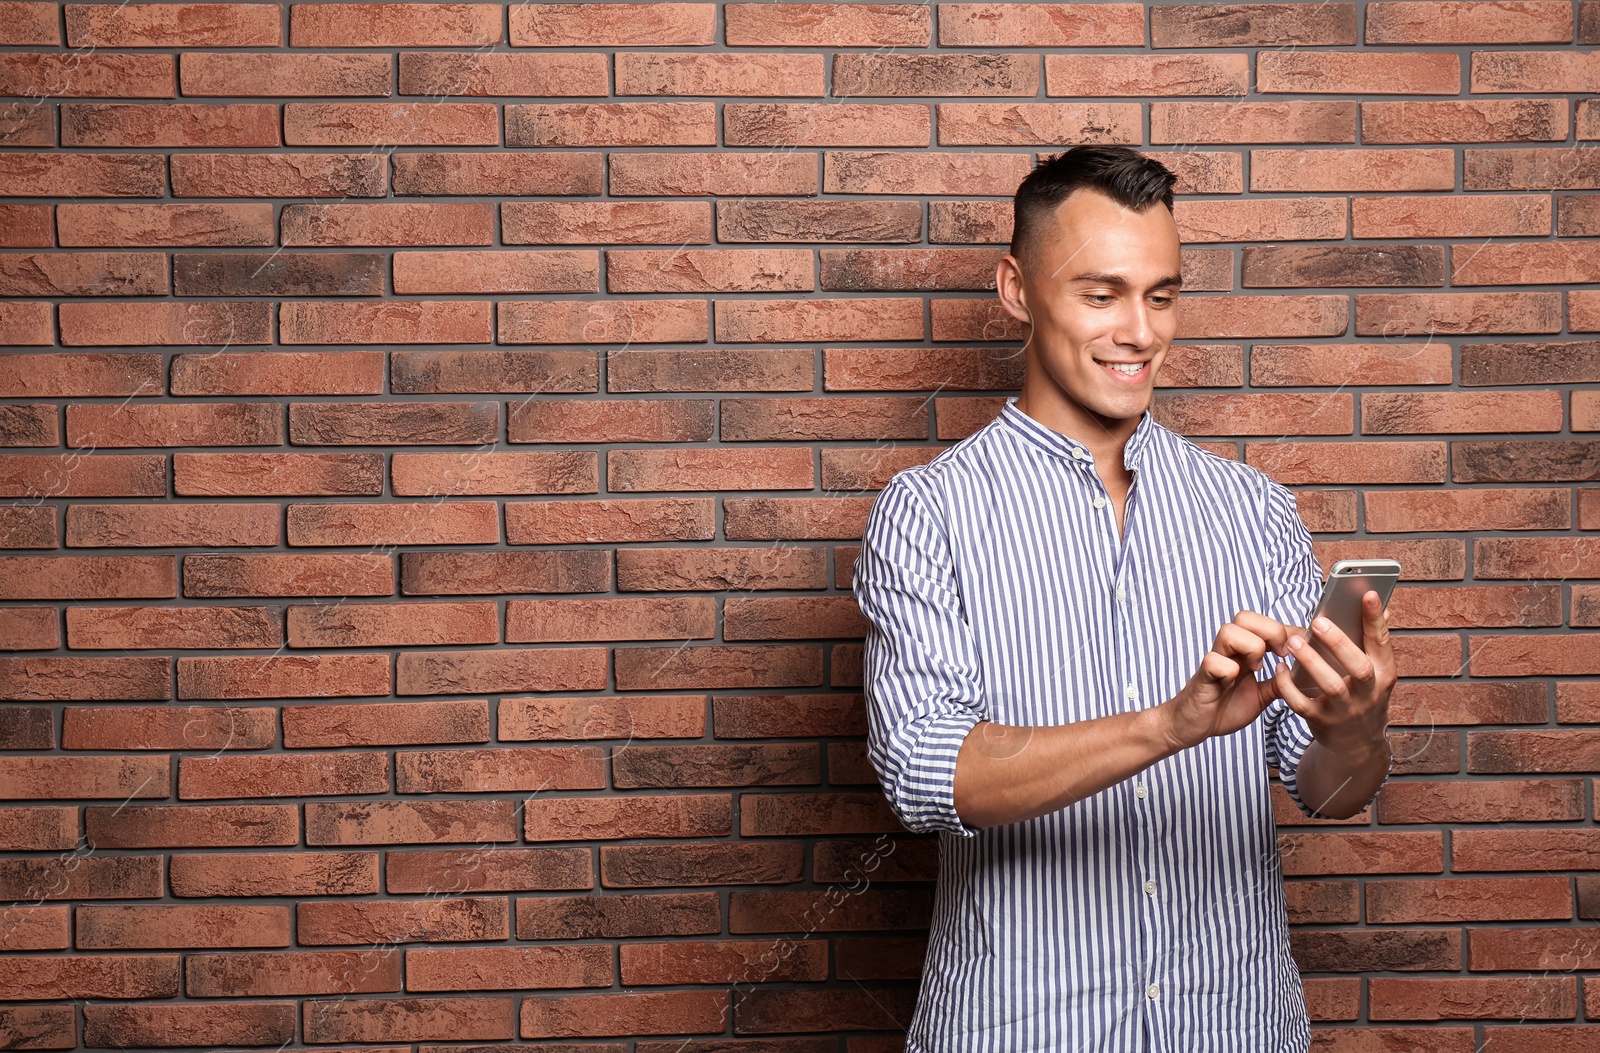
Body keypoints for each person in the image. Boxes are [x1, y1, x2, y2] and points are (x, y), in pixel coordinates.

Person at [851, 145, 1397, 1053]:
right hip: (1020, 1029)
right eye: (1100, 295)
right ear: (1017, 290)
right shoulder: (928, 513)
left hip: (1234, 1026)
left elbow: (1330, 791)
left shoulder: (1252, 510)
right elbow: (924, 774)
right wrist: (1170, 724)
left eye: (1162, 294)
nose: (1139, 332)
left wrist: (1354, 726)